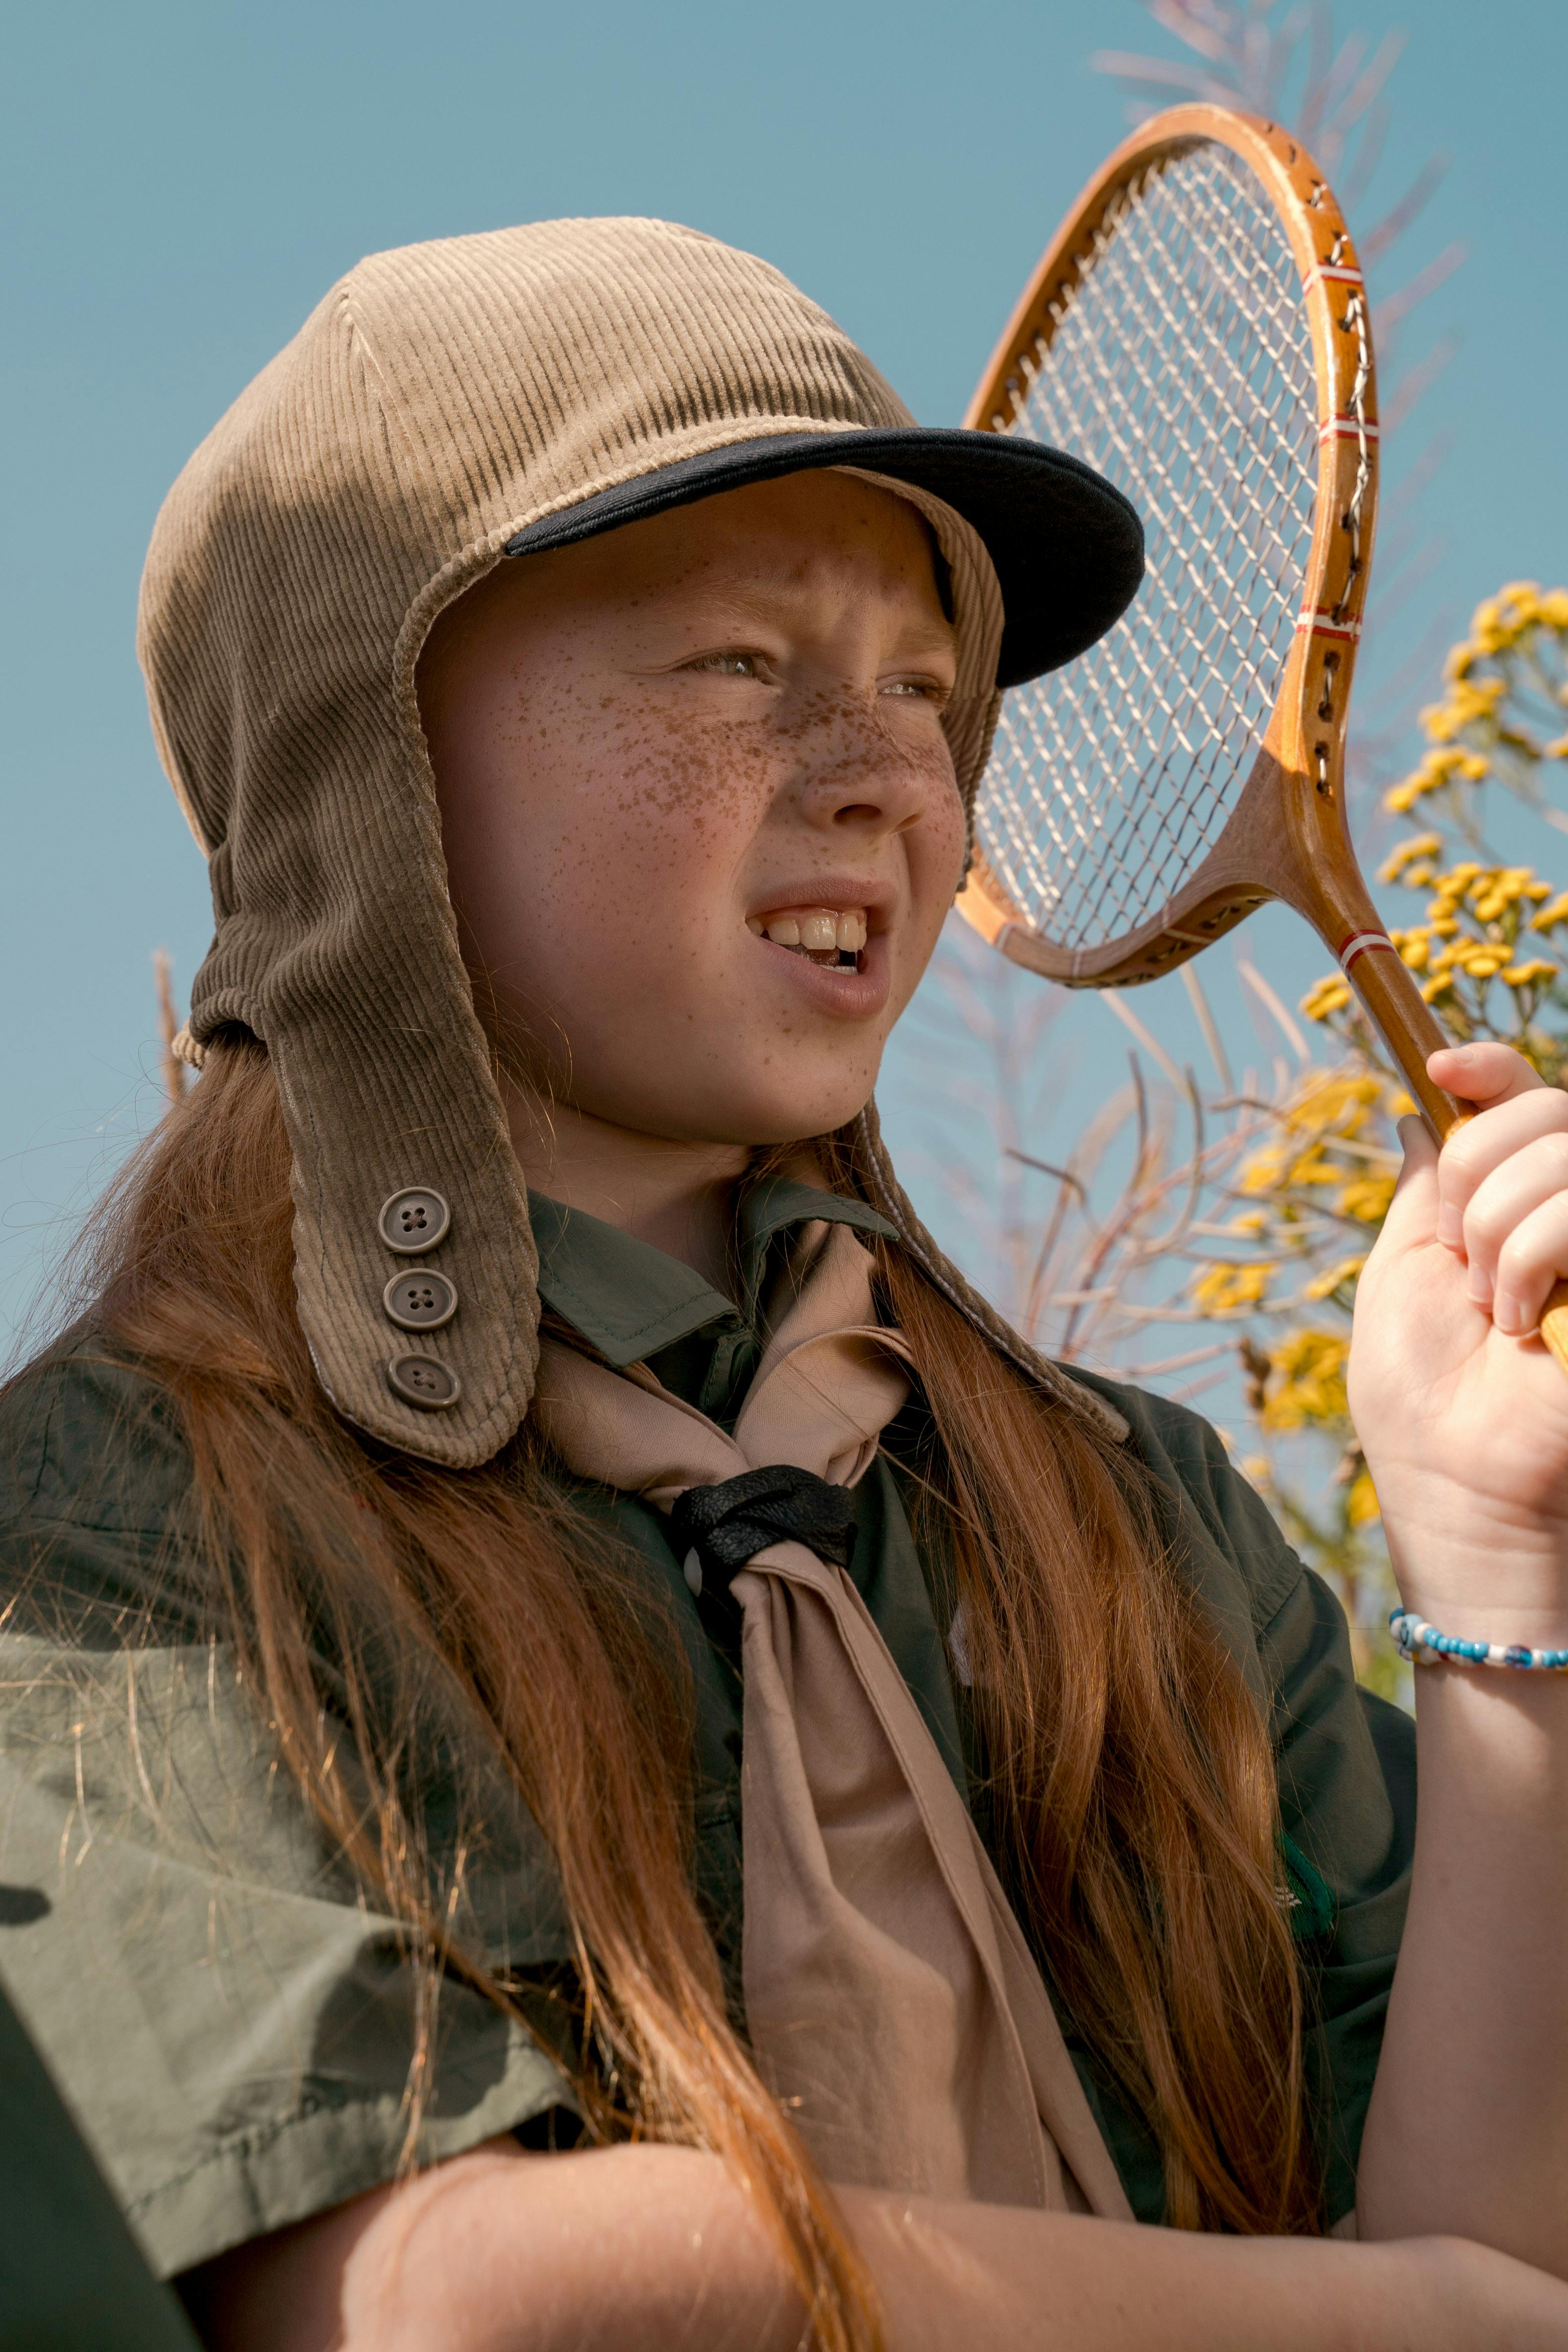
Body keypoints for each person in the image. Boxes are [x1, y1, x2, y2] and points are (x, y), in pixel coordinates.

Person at [0, 218, 1565, 2352]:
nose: (891, 774)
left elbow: (1507, 2245)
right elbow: (434, 2304)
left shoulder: (1140, 1512)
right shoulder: (115, 1524)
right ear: (363, 762)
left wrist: (1501, 1566)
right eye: (740, 663)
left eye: (929, 685)